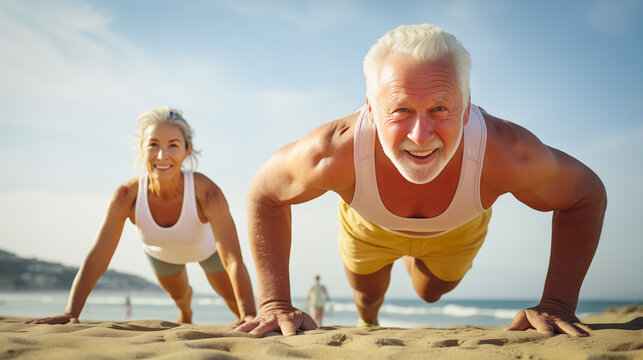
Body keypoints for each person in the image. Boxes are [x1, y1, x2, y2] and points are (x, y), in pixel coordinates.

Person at [237, 24, 607, 337]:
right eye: (400, 110)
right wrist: (274, 303)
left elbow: (585, 195)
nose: (420, 134)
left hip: (456, 230)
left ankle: (415, 259)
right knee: (367, 295)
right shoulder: (329, 154)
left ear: (465, 106)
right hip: (369, 226)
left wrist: (557, 303)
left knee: (431, 293)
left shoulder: (508, 153)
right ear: (370, 107)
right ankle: (370, 320)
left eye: (440, 109)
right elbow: (265, 193)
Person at [29, 107, 256, 325]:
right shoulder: (126, 196)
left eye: (173, 145)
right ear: (142, 148)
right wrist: (71, 311)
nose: (161, 154)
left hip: (206, 251)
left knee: (233, 302)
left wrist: (248, 315)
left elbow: (232, 259)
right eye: (153, 144)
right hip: (160, 254)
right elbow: (98, 258)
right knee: (179, 296)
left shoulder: (207, 193)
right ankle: (185, 311)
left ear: (187, 150)